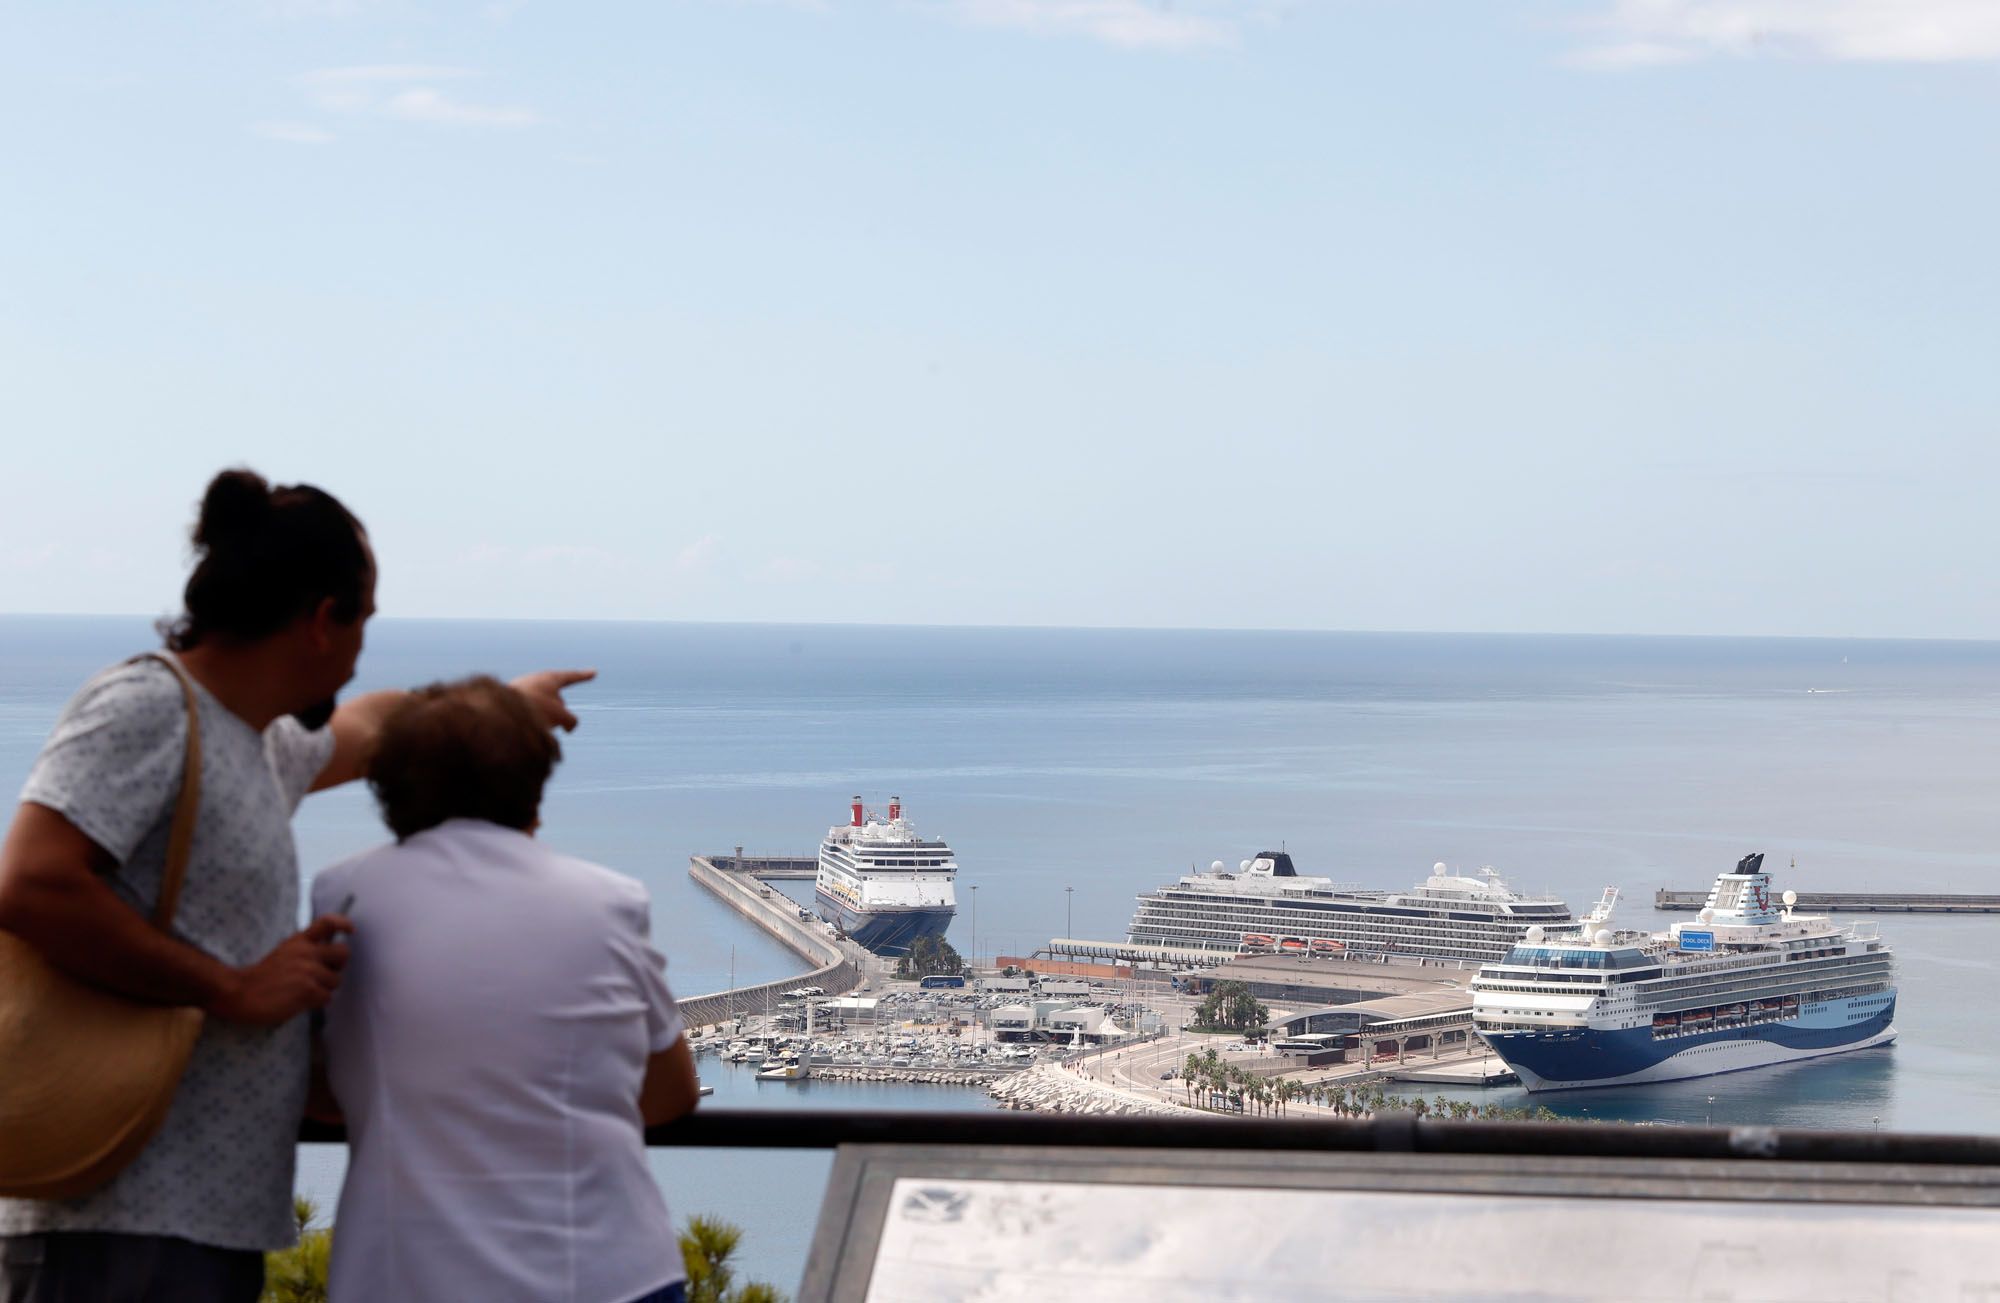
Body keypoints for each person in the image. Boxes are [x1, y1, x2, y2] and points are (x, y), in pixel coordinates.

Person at [0, 469, 592, 1303]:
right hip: (118, 1218)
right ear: (323, 620)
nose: (362, 650)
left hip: (196, 1218)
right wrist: (231, 986)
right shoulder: (147, 704)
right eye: (364, 622)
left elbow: (373, 726)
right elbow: (31, 881)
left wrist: (503, 704)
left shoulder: (251, 744)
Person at [309, 675, 700, 1303]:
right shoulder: (608, 902)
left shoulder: (345, 897)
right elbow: (670, 1094)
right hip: (605, 1270)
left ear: (385, 792)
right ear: (535, 792)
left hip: (402, 1276)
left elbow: (326, 1094)